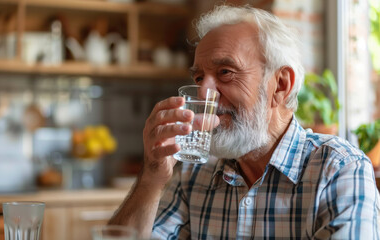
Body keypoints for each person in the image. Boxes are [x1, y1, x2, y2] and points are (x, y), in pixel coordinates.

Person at [109, 5, 380, 239]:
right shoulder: (193, 174)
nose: (204, 94)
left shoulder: (340, 170)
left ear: (280, 85)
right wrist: (152, 177)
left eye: (225, 72)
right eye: (199, 78)